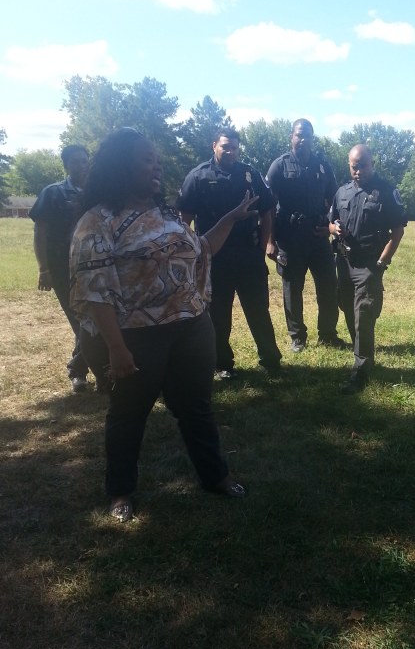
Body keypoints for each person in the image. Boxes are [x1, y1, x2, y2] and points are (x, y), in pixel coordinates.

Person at [70, 128, 258, 522]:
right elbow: (95, 290)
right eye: (147, 160)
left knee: (197, 408)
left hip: (192, 328)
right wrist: (116, 348)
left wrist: (231, 218)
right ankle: (120, 491)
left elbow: (202, 249)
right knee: (128, 414)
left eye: (158, 161)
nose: (157, 167)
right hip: (136, 337)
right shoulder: (97, 221)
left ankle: (216, 477)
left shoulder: (167, 214)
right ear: (121, 166)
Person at [177, 127, 281, 379]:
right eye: (225, 146)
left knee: (258, 309)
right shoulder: (198, 176)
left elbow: (267, 211)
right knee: (218, 314)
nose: (230, 151)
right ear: (214, 146)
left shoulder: (250, 174)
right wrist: (190, 254)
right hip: (215, 257)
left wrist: (263, 246)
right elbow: (184, 219)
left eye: (234, 147)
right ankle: (223, 364)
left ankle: (271, 360)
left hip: (248, 254)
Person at [29, 145, 108, 392]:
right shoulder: (53, 193)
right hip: (63, 268)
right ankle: (88, 373)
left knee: (95, 318)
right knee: (80, 321)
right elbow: (40, 233)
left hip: (94, 266)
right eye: (75, 162)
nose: (81, 166)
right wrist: (44, 269)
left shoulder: (98, 192)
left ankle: (86, 369)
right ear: (66, 165)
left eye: (85, 161)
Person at [329, 144, 407, 393]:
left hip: (370, 263)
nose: (358, 171)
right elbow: (330, 222)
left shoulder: (386, 191)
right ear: (349, 165)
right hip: (344, 262)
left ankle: (360, 371)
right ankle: (363, 354)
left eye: (363, 165)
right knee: (348, 308)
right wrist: (334, 229)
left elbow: (397, 231)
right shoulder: (342, 191)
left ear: (372, 164)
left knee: (363, 312)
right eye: (354, 166)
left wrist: (382, 261)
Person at [266, 118, 346, 352]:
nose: (303, 139)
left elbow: (335, 199)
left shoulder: (322, 165)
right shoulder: (279, 166)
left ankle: (328, 334)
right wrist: (270, 241)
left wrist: (330, 225)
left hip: (318, 235)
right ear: (291, 137)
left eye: (307, 136)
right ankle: (297, 337)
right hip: (290, 237)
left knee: (328, 286)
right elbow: (268, 207)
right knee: (292, 289)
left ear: (312, 139)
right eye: (299, 135)